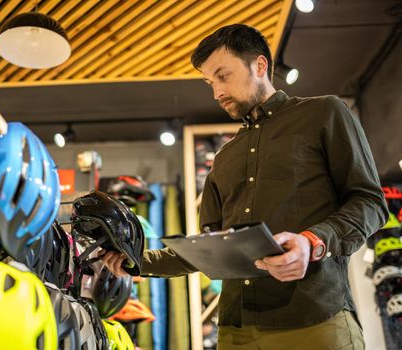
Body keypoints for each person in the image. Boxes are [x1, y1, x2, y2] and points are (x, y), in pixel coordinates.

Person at [100, 24, 388, 350]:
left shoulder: (323, 114)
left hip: (313, 321)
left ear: (260, 65)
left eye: (223, 76)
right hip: (236, 332)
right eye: (210, 82)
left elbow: (370, 203)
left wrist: (313, 242)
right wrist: (135, 260)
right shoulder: (222, 159)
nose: (216, 92)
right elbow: (209, 250)